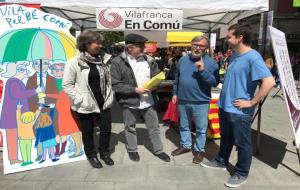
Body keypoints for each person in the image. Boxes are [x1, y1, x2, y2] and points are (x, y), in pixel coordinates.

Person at [200, 24, 275, 188]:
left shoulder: (253, 57)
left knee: (243, 143)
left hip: (240, 110)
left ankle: (241, 172)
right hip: (225, 106)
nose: (226, 39)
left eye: (228, 37)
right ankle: (221, 160)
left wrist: (252, 101)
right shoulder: (234, 55)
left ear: (240, 38)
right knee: (226, 138)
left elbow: (269, 82)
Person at [110, 33, 170, 162]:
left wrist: (156, 85)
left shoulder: (149, 60)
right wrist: (135, 90)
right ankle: (132, 149)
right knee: (130, 127)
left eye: (144, 45)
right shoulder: (117, 62)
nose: (144, 48)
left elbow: (157, 76)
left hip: (148, 101)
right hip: (129, 101)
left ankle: (158, 150)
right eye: (141, 46)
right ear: (130, 47)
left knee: (154, 127)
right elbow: (115, 85)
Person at [63, 30, 114, 169]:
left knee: (106, 129)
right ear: (85, 44)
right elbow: (67, 84)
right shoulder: (74, 62)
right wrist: (79, 99)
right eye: (96, 42)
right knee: (88, 131)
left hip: (104, 102)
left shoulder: (105, 59)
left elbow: (109, 81)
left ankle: (104, 152)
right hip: (85, 104)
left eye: (100, 42)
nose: (100, 45)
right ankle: (91, 155)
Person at [171, 35, 219, 164]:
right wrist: (175, 93)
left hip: (201, 102)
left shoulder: (211, 63)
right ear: (191, 44)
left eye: (201, 45)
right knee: (184, 125)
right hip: (182, 100)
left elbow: (214, 82)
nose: (197, 47)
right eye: (195, 44)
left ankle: (199, 150)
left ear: (206, 48)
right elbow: (177, 79)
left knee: (200, 129)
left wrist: (202, 70)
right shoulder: (182, 60)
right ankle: (185, 145)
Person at [0, 61, 43, 165]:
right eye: (21, 69)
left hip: (17, 114)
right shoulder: (12, 81)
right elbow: (18, 94)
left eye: (24, 69)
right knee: (12, 137)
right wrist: (35, 91)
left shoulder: (17, 81)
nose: (24, 72)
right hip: (11, 115)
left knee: (18, 136)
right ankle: (13, 158)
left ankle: (16, 157)